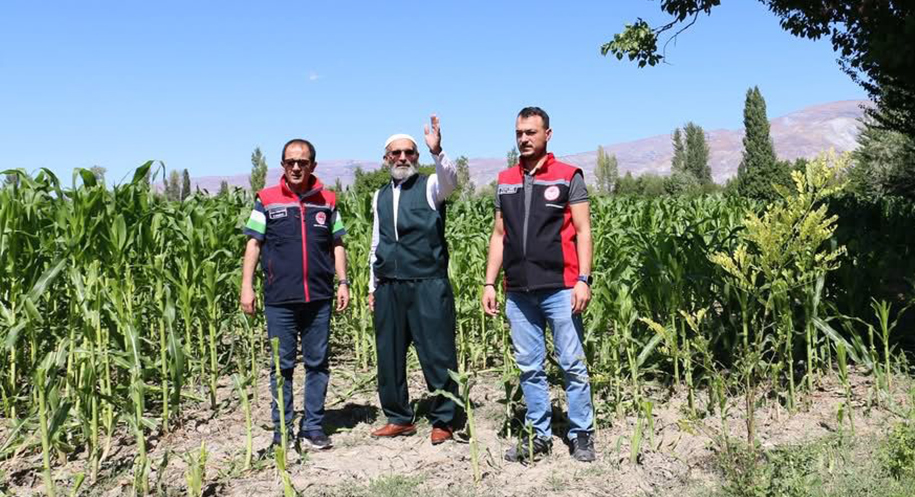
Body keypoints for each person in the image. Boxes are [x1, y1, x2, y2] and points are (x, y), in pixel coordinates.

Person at [481, 107, 597, 463]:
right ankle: (539, 436)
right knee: (530, 367)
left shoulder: (568, 176)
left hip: (561, 287)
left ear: (548, 134)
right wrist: (489, 282)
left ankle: (581, 434)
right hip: (518, 291)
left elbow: (583, 231)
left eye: (531, 132)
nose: (524, 138)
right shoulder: (505, 179)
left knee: (572, 364)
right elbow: (499, 235)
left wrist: (583, 279)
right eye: (519, 132)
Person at [240, 138, 350, 451]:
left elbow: (337, 243)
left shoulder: (327, 200)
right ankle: (282, 431)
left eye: (302, 162)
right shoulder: (267, 199)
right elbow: (254, 244)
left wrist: (343, 282)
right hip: (279, 299)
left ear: (313, 165)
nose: (296, 167)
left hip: (318, 297)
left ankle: (313, 427)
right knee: (281, 366)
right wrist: (246, 285)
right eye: (290, 162)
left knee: (317, 363)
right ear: (283, 165)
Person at [368, 115, 461, 445]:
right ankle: (398, 417)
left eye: (410, 152)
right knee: (389, 353)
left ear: (417, 157)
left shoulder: (430, 187)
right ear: (387, 159)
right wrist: (372, 285)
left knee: (437, 352)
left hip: (426, 283)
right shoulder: (378, 196)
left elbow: (450, 180)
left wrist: (438, 151)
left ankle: (445, 419)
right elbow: (376, 243)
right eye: (397, 153)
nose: (404, 158)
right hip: (389, 284)